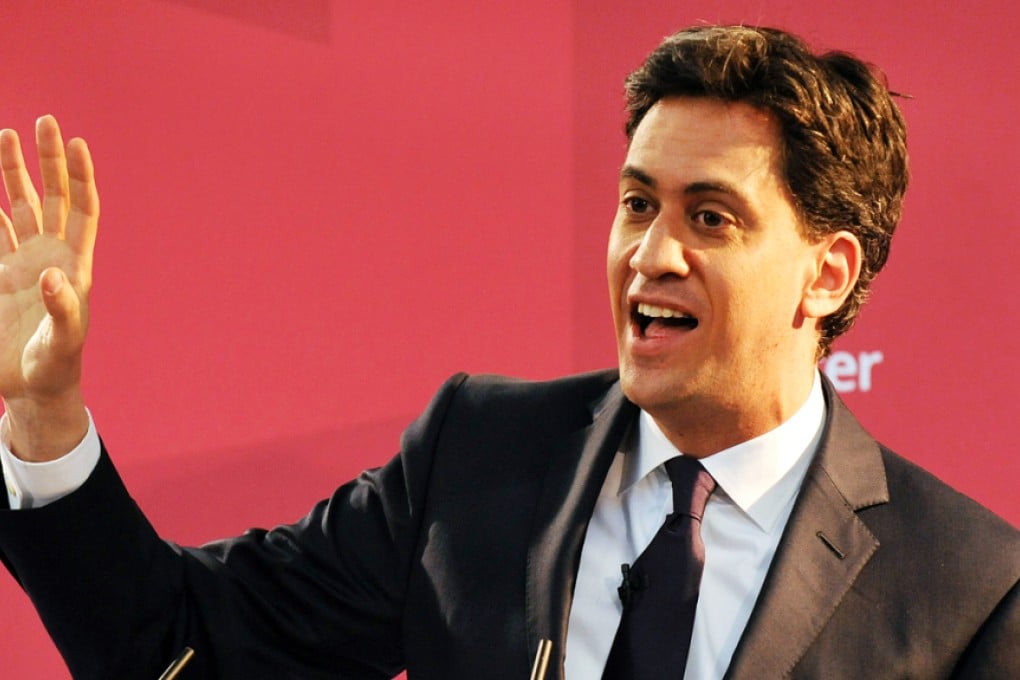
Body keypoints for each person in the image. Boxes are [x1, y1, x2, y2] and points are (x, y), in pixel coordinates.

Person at [0, 25, 1016, 680]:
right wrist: (45, 416)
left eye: (711, 216)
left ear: (826, 274)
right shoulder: (478, 454)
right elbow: (182, 642)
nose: (651, 254)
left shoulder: (969, 587)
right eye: (635, 203)